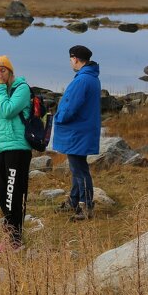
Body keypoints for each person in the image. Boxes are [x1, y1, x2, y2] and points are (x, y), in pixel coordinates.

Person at [0, 55, 32, 249]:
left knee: (13, 194)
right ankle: (10, 235)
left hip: (17, 148)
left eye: (2, 70)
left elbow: (10, 110)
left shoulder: (22, 89)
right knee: (3, 194)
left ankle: (15, 240)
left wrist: (0, 89)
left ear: (10, 71)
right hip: (0, 148)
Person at [50, 45, 101, 221]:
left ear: (75, 59)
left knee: (79, 169)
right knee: (77, 167)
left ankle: (86, 206)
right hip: (82, 131)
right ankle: (74, 201)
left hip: (78, 131)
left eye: (71, 58)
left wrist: (59, 117)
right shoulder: (90, 77)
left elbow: (71, 105)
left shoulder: (82, 80)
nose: (71, 62)